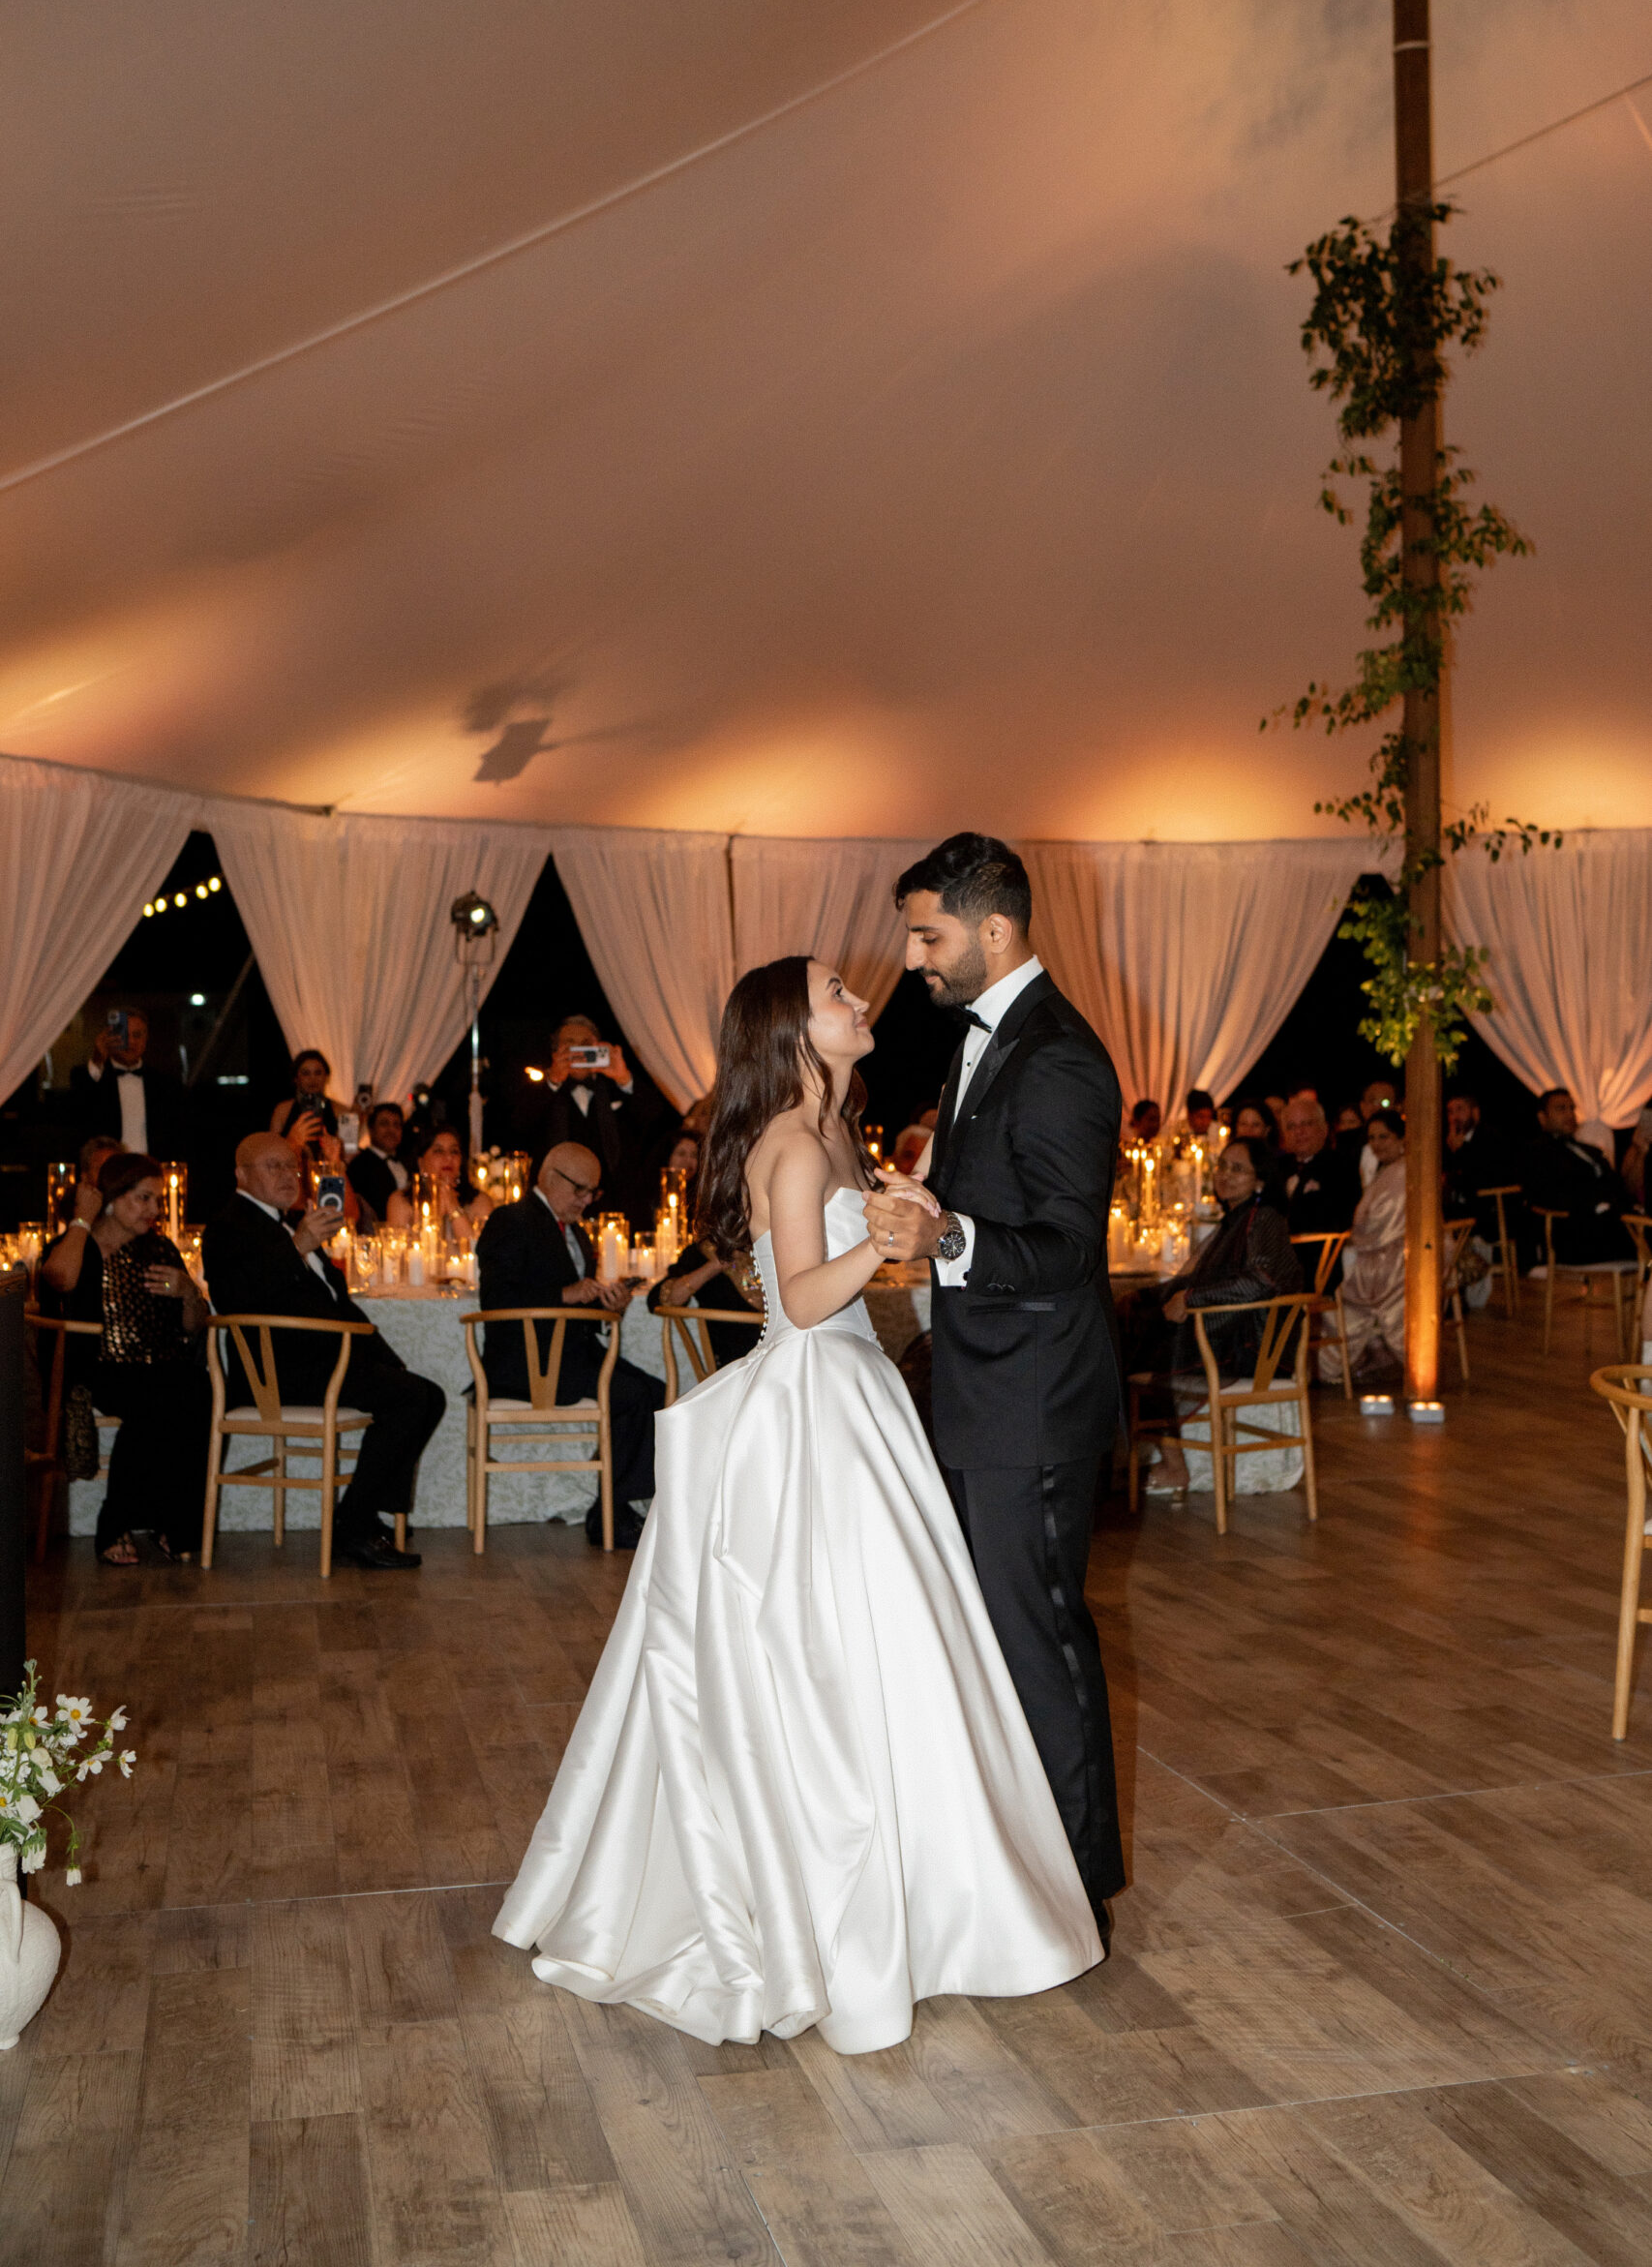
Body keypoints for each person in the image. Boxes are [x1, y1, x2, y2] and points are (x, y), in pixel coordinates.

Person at [495, 954, 1100, 2051]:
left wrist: (903, 1220)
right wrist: (883, 1235)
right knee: (837, 1653)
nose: (859, 1000)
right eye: (835, 992)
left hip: (855, 1395)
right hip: (815, 1401)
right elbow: (804, 1300)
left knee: (898, 1649)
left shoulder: (837, 1132)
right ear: (791, 1026)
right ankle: (833, 1904)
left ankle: (926, 1898)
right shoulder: (786, 1137)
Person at [865, 831, 1126, 1940]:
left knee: (1040, 1642)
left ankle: (1077, 1894)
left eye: (929, 934)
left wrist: (949, 1235)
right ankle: (1019, 1873)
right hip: (983, 1390)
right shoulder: (980, 1041)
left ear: (995, 928)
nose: (914, 957)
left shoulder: (1060, 1054)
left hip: (1037, 1399)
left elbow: (1068, 1246)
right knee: (1000, 1641)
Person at [203, 1134, 441, 1569]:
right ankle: (355, 1525)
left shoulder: (292, 1224)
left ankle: (361, 1515)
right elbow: (234, 1298)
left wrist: (387, 1359)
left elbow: (339, 1305)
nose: (288, 1176)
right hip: (277, 1372)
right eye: (273, 1167)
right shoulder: (228, 1225)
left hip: (324, 1362)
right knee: (412, 1398)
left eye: (292, 1167)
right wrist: (297, 1246)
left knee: (426, 1395)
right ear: (241, 1174)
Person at [474, 1142, 662, 1551]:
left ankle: (611, 1509)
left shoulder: (575, 1231)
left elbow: (575, 1301)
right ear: (548, 1176)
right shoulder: (511, 1220)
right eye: (579, 1189)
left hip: (572, 1353)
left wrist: (608, 1307)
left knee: (656, 1394)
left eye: (592, 1192)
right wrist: (566, 1294)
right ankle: (612, 1513)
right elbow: (497, 1300)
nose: (586, 1200)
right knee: (631, 1396)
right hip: (526, 1361)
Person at [41, 1150, 212, 1566]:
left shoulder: (161, 1248)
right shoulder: (78, 1246)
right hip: (99, 1366)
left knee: (196, 1391)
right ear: (111, 1199)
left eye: (157, 1200)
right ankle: (112, 1523)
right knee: (154, 1397)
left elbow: (194, 1326)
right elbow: (59, 1278)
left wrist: (189, 1292)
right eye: (144, 1198)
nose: (155, 1209)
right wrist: (83, 1219)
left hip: (164, 1363)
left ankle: (173, 1523)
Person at [1128, 1136, 1300, 1500]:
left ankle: (1173, 1466)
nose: (1225, 1175)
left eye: (1237, 1169)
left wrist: (1191, 1299)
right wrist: (1142, 1297)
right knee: (1131, 1324)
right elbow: (1195, 1279)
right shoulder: (1235, 1219)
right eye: (1221, 1166)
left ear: (1261, 1180)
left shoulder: (1263, 1218)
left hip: (1251, 1345)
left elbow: (1263, 1280)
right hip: (1226, 1332)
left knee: (1142, 1346)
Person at [521, 1015, 669, 1225]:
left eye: (586, 1046)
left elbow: (653, 1114)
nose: (579, 1053)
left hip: (615, 1206)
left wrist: (623, 1077)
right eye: (569, 1046)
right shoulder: (545, 1092)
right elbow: (521, 1121)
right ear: (556, 1052)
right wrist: (553, 1080)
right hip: (556, 1208)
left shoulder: (613, 1088)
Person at [1317, 1107, 1408, 1388]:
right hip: (1382, 1251)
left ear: (1401, 1138)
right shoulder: (1387, 1170)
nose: (1378, 1144)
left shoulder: (1404, 1171)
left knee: (1342, 1284)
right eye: (1372, 1138)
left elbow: (1384, 1226)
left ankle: (1335, 1364)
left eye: (1385, 1137)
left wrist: (1353, 1237)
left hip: (1396, 1258)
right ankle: (1368, 1355)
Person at [1521, 1088, 1634, 1265]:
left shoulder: (1590, 1151)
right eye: (1561, 1109)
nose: (1569, 1114)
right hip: (1574, 1231)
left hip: (1610, 1220)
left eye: (1571, 1109)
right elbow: (1549, 1194)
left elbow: (1615, 1184)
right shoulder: (1536, 1152)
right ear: (1542, 1117)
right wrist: (1599, 1204)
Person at [70, 1002, 189, 1159]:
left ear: (146, 1039)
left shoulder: (164, 1083)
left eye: (137, 1035)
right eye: (124, 1035)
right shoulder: (91, 1078)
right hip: (108, 1169)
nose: (131, 1042)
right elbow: (80, 1108)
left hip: (150, 1167)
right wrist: (98, 1057)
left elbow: (175, 1133)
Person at [646, 1235, 764, 1368]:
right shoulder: (703, 1251)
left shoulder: (775, 1244)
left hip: (783, 1352)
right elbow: (660, 1299)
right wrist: (715, 1265)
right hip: (735, 1365)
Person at [385, 1127, 494, 1240]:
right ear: (421, 1163)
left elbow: (479, 1254)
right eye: (438, 1151)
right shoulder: (400, 1201)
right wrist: (436, 1216)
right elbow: (401, 1254)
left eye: (454, 1151)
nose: (448, 1157)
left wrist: (454, 1208)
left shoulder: (480, 1201)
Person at [1280, 1094, 1359, 1236]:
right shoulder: (1278, 1168)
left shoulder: (1341, 1166)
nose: (1299, 1132)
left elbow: (1340, 1218)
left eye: (1306, 1124)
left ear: (1324, 1128)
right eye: (1291, 1126)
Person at [1443, 1093, 1517, 1243]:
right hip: (1463, 1204)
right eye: (1450, 1112)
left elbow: (1482, 1175)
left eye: (1460, 1109)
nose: (1455, 1117)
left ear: (1475, 1112)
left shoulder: (1489, 1137)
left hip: (1489, 1208)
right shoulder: (1452, 1140)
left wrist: (1461, 1151)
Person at [346, 1102, 408, 1224]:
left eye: (396, 1125)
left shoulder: (408, 1163)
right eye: (384, 1124)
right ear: (371, 1129)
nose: (391, 1130)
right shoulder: (360, 1165)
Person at [270, 1049, 339, 1148]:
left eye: (318, 1073)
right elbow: (272, 1149)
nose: (312, 1079)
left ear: (326, 1077)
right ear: (296, 1078)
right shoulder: (283, 1110)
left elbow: (348, 1149)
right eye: (306, 1073)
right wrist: (291, 1140)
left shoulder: (338, 1110)